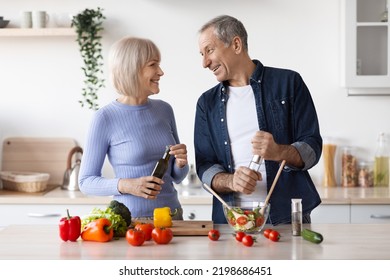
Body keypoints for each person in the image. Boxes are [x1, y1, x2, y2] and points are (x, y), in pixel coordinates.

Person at [195, 15, 322, 225]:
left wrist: (279, 152)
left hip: (286, 220)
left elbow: (313, 147)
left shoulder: (289, 83)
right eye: (201, 54)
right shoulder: (206, 103)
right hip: (231, 222)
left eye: (209, 50)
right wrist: (232, 181)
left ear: (236, 44)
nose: (204, 63)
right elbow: (204, 166)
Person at [79, 36, 189, 219]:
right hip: (131, 223)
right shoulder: (105, 118)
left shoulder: (164, 109)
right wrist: (127, 185)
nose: (160, 72)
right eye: (153, 65)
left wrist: (181, 163)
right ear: (132, 69)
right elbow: (86, 182)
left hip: (173, 219)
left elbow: (177, 177)